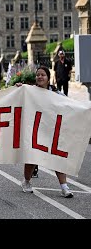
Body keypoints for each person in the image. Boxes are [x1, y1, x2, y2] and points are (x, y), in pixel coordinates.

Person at [17, 65, 73, 198]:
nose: (40, 77)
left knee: (57, 156)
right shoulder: (30, 90)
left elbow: (69, 104)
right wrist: (18, 88)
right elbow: (18, 97)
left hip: (51, 130)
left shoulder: (56, 93)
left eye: (43, 75)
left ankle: (64, 187)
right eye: (38, 75)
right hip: (35, 130)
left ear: (48, 78)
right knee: (32, 157)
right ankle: (26, 181)